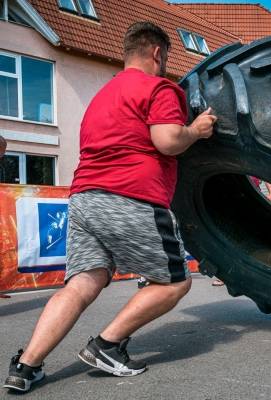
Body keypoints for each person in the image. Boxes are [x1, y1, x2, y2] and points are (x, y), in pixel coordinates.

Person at [4, 21, 217, 393]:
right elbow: (168, 140)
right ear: (157, 53)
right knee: (174, 283)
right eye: (166, 58)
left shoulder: (102, 96)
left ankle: (26, 366)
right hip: (132, 197)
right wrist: (196, 130)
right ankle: (106, 345)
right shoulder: (158, 88)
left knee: (82, 283)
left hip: (84, 199)